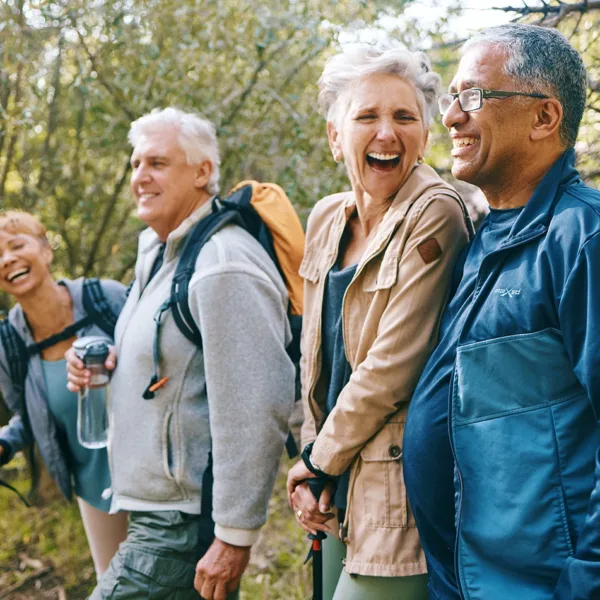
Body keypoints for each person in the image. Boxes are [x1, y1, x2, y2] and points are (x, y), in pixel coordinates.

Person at [403, 23, 600, 600]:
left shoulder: (582, 238)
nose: (451, 117)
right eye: (452, 98)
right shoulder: (485, 239)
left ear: (544, 118)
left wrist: (585, 583)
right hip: (464, 581)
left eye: (474, 97)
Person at [66, 107, 295, 600]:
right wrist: (109, 360)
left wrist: (233, 536)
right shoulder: (160, 252)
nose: (140, 177)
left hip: (180, 525)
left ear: (203, 171)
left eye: (157, 163)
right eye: (135, 165)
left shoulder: (222, 263)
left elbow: (258, 405)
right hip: (152, 511)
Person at [286, 45, 472, 600]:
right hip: (332, 474)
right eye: (366, 116)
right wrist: (312, 461)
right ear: (335, 136)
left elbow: (392, 367)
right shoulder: (324, 217)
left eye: (404, 116)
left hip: (397, 491)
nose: (386, 133)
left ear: (426, 135)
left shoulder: (436, 211)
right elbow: (312, 359)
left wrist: (315, 461)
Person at [0, 210, 128, 577]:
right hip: (93, 488)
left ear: (45, 250)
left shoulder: (106, 298)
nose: (7, 259)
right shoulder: (9, 344)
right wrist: (5, 443)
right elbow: (28, 416)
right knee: (114, 584)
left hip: (152, 474)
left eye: (16, 245)